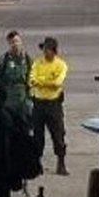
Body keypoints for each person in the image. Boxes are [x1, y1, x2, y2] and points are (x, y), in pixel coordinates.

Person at [30, 36, 69, 175]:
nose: (45, 52)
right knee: (37, 135)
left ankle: (61, 163)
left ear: (54, 51)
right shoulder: (37, 63)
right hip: (38, 102)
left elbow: (58, 83)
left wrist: (42, 82)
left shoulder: (61, 65)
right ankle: (37, 163)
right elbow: (32, 80)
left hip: (54, 103)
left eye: (48, 50)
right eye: (44, 49)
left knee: (58, 135)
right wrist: (48, 82)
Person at [0, 30, 32, 120]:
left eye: (17, 41)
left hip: (24, 97)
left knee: (26, 125)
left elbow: (32, 74)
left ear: (21, 42)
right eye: (12, 42)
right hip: (8, 97)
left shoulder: (27, 59)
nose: (15, 44)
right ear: (9, 44)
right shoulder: (3, 60)